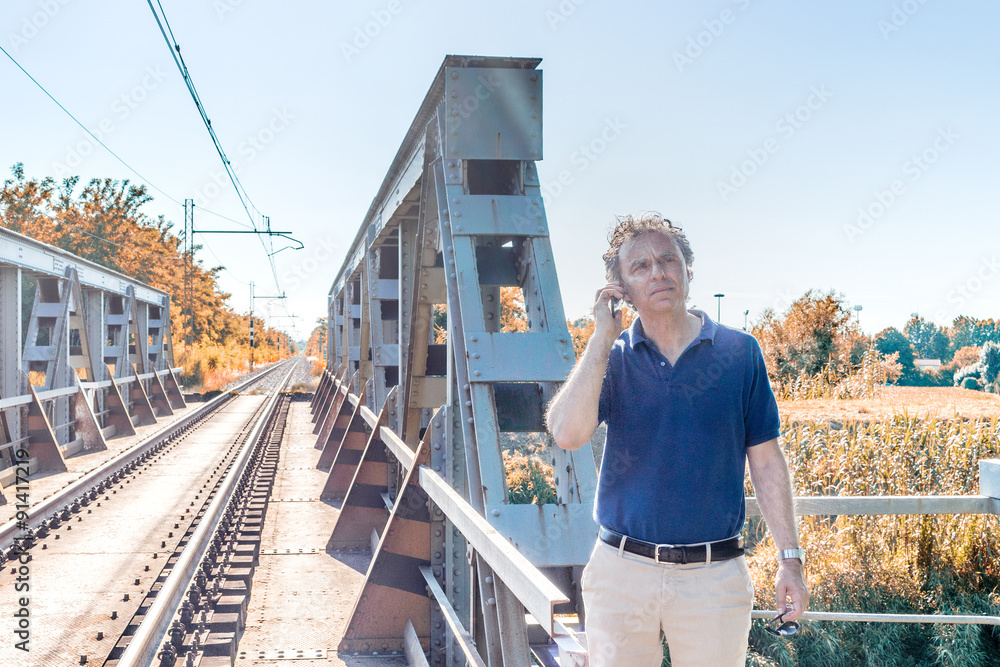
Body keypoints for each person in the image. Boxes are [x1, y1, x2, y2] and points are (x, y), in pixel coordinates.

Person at [546, 213, 809, 666]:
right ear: (621, 290)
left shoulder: (739, 353)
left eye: (668, 260)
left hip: (714, 578)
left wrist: (790, 560)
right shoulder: (613, 359)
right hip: (621, 573)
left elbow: (766, 462)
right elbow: (567, 433)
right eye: (641, 266)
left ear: (688, 270)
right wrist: (600, 340)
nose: (658, 272)